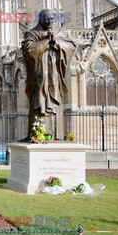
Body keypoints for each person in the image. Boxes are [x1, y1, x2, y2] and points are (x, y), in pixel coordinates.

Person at [21, 9, 76, 138]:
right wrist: (47, 42)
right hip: (39, 75)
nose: (49, 22)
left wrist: (56, 42)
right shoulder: (32, 33)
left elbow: (71, 46)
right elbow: (27, 50)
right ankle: (37, 134)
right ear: (39, 18)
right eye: (46, 19)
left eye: (51, 19)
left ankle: (56, 134)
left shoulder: (60, 32)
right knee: (38, 102)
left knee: (55, 101)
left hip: (55, 74)